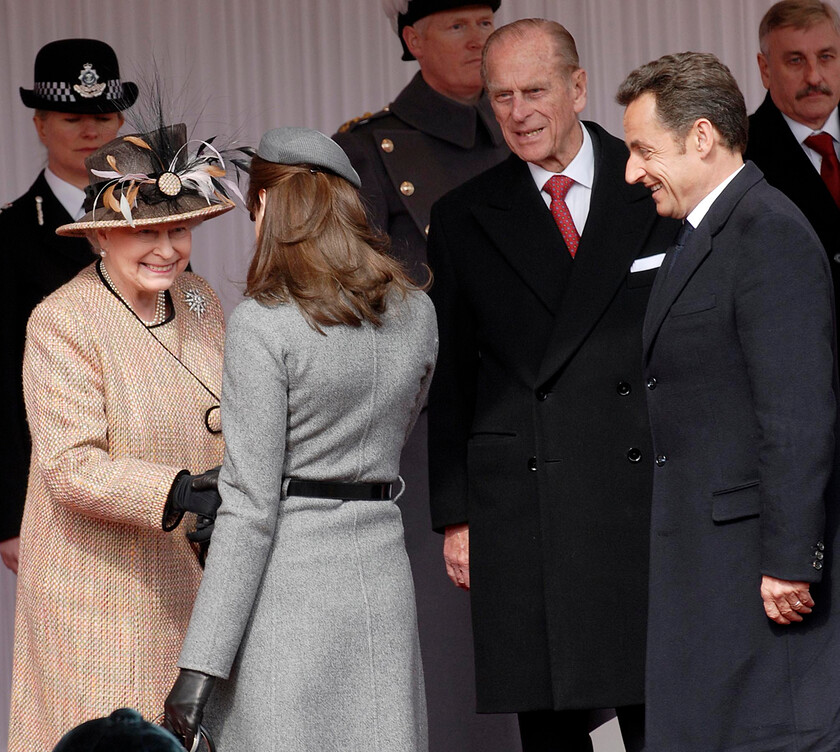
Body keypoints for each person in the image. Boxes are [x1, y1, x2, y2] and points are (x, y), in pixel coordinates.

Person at [426, 18, 677, 752]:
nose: (518, 112)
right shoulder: (464, 215)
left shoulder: (653, 182)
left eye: (534, 90)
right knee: (553, 726)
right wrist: (457, 515)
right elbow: (453, 379)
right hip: (526, 504)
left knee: (662, 718)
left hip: (646, 490)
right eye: (500, 96)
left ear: (577, 86)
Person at [163, 127, 437, 752]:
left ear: (266, 208)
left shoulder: (263, 324)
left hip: (288, 588)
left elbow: (251, 508)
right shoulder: (418, 312)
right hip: (382, 575)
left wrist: (197, 671)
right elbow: (404, 419)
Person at [618, 50, 840, 751]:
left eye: (642, 150)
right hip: (707, 566)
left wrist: (789, 561)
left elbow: (798, 411)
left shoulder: (767, 231)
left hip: (756, 576)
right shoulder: (700, 233)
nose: (631, 171)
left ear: (704, 137)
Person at [8, 121, 238, 752]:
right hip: (97, 593)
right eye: (146, 232)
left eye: (178, 230)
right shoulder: (63, 321)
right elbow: (70, 466)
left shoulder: (198, 301)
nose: (166, 249)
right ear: (103, 235)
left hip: (189, 583)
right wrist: (183, 490)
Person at [333, 6, 511, 745]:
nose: (477, 39)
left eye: (485, 20)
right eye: (455, 24)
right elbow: (347, 306)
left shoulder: (526, 133)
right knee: (454, 668)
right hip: (432, 430)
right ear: (412, 38)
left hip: (531, 413)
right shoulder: (368, 149)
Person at [0, 38, 136, 575]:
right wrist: (8, 513)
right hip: (52, 483)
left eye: (102, 116)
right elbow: (2, 382)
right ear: (40, 125)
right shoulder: (9, 236)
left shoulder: (149, 221)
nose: (90, 131)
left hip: (152, 473)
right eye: (71, 116)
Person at [745, 0, 839, 291]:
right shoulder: (740, 153)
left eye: (826, 57)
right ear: (765, 69)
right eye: (795, 60)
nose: (813, 76)